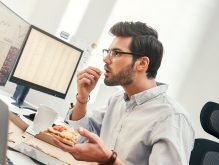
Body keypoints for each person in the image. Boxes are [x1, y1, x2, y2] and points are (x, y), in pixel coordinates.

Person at [53, 21, 195, 165]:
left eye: (116, 53)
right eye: (108, 52)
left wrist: (109, 160)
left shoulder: (171, 118)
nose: (106, 59)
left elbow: (103, 156)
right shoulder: (117, 100)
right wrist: (82, 98)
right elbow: (81, 138)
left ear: (142, 63)